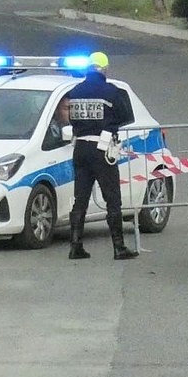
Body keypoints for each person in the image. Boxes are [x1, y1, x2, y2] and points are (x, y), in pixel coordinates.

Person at [64, 51, 138, 260]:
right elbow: (125, 116)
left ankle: (75, 246)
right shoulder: (112, 92)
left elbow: (71, 119)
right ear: (104, 69)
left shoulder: (75, 92)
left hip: (80, 149)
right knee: (112, 198)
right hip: (102, 149)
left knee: (81, 199)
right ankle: (119, 247)